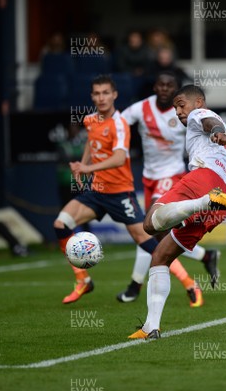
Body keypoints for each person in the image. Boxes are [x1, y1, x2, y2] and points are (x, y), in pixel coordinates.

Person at [128, 85, 226, 339]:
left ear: (198, 102)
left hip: (202, 183)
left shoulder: (201, 114)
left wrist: (216, 130)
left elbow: (207, 121)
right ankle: (151, 327)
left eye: (181, 104)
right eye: (174, 107)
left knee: (150, 224)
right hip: (218, 205)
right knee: (161, 256)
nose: (178, 111)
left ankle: (205, 201)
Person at [54, 74, 160, 304]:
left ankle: (189, 284)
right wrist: (83, 167)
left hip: (120, 192)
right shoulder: (91, 120)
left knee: (146, 240)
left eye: (105, 93)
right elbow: (91, 144)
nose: (101, 98)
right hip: (97, 191)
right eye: (97, 93)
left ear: (114, 95)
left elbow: (120, 158)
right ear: (92, 96)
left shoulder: (120, 124)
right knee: (61, 224)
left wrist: (87, 166)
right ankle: (83, 280)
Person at [117, 71, 220, 307]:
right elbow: (119, 123)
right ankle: (206, 256)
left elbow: (205, 125)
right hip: (149, 176)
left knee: (149, 231)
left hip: (172, 174)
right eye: (160, 84)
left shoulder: (185, 115)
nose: (164, 89)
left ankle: (136, 285)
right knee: (160, 234)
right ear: (154, 87)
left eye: (169, 86)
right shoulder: (141, 109)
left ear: (175, 90)